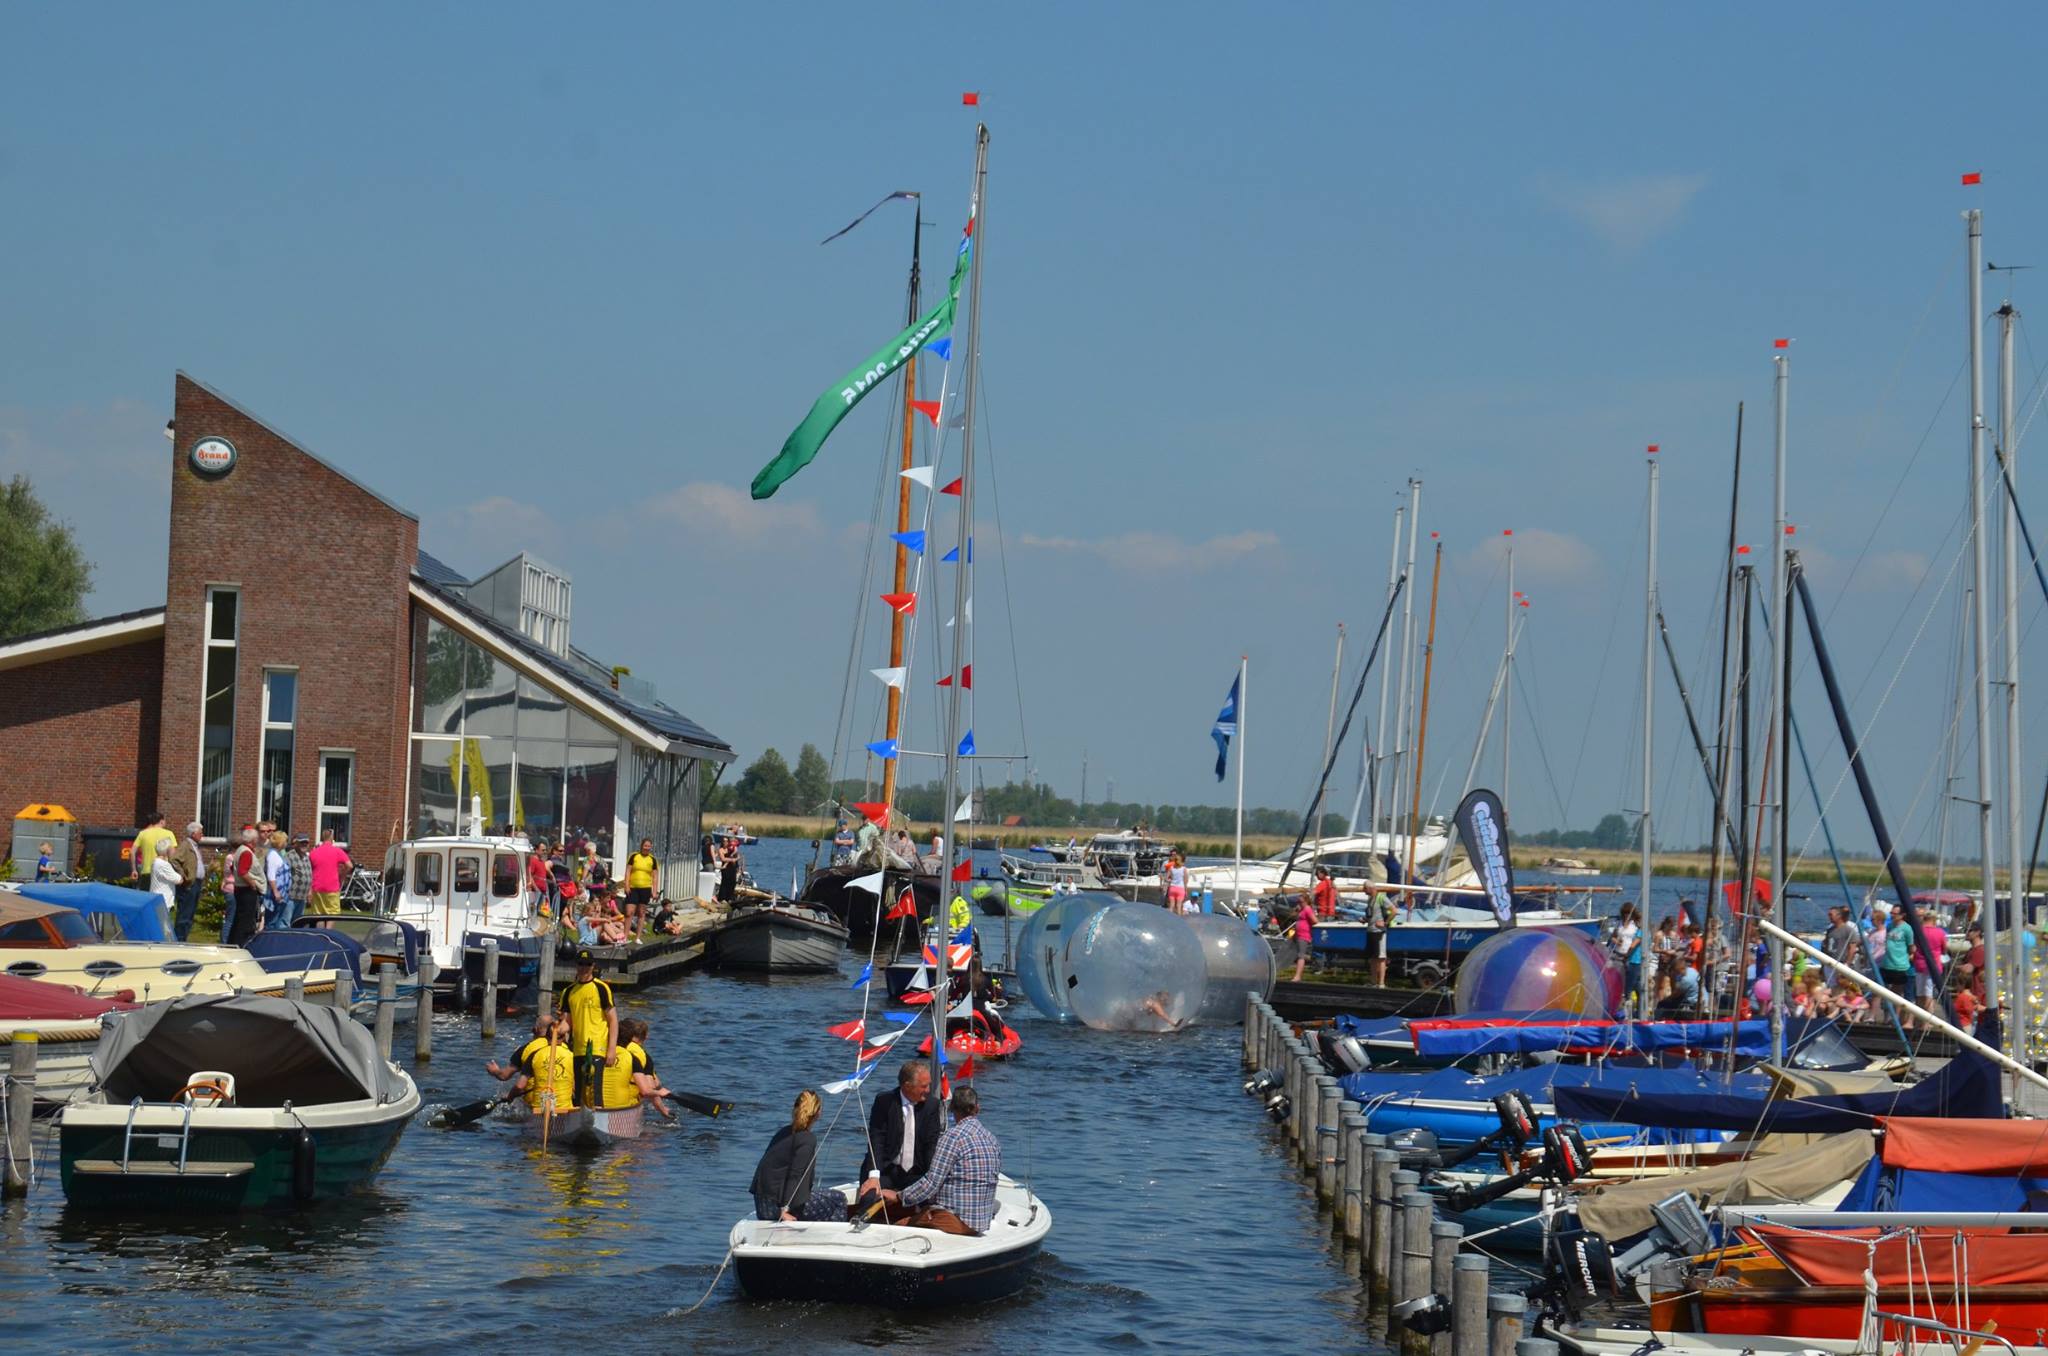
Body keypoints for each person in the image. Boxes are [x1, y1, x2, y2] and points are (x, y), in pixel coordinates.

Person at [878, 1083, 1002, 1235]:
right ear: (977, 1108)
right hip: (980, 1223)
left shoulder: (952, 1137)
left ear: (951, 1108)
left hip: (953, 1220)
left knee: (893, 1226)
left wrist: (898, 1196)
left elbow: (931, 1183)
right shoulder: (992, 1139)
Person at [751, 1089, 846, 1222]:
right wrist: (783, 1211)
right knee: (838, 1199)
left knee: (817, 1198)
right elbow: (795, 1175)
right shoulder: (808, 1139)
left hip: (762, 1205)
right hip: (778, 1210)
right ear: (818, 1113)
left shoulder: (783, 1132)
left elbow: (764, 1168)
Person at [859, 1059, 941, 1198]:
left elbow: (931, 1145)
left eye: (929, 1085)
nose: (928, 1090)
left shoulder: (931, 1106)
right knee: (870, 1195)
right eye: (923, 1086)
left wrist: (932, 1179)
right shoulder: (884, 1102)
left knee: (931, 1198)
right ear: (907, 1086)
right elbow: (876, 1141)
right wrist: (874, 1176)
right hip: (886, 1169)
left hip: (917, 1172)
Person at [561, 947, 618, 1108]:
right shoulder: (569, 992)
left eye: (587, 964)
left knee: (595, 1089)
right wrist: (556, 1030)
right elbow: (567, 1023)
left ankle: (598, 1118)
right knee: (578, 1091)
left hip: (597, 1046)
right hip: (577, 1048)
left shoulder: (601, 988)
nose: (584, 968)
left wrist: (611, 1049)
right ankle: (579, 1118)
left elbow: (613, 1020)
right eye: (581, 964)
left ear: (593, 966)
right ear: (576, 965)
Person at [486, 1012, 576, 1113]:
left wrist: (495, 1071)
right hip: (564, 1105)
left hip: (536, 1106)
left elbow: (504, 1076)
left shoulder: (530, 1052)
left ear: (535, 1030)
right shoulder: (569, 1052)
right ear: (563, 1036)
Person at [600, 1017, 674, 1116]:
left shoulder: (601, 1051)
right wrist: (663, 1109)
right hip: (625, 1105)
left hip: (597, 1104)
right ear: (645, 1037)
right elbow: (649, 1088)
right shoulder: (639, 1056)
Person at [228, 827, 265, 945]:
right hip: (246, 890)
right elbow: (242, 871)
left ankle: (233, 942)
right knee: (246, 921)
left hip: (240, 889)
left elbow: (232, 867)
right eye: (256, 839)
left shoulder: (240, 850)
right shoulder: (246, 852)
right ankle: (241, 944)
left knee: (239, 919)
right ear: (253, 840)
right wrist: (253, 884)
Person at [171, 823, 205, 942]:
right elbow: (174, 860)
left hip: (196, 883)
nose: (202, 835)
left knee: (190, 914)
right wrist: (183, 876)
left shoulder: (195, 846)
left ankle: (183, 938)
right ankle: (179, 939)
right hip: (189, 884)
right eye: (200, 833)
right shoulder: (186, 845)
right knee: (185, 913)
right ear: (193, 833)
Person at [308, 827, 352, 916]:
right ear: (332, 838)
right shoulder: (337, 851)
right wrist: (342, 876)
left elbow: (310, 871)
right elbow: (349, 865)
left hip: (317, 887)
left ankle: (320, 930)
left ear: (322, 838)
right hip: (332, 886)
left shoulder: (314, 852)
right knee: (332, 913)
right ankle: (328, 930)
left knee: (318, 914)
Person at [132, 811, 175, 889]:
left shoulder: (143, 833)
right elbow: (172, 853)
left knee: (146, 898)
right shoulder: (169, 833)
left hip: (146, 872)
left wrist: (134, 869)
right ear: (161, 821)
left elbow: (132, 852)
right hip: (163, 871)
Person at [625, 838, 658, 937]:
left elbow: (655, 876)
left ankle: (638, 937)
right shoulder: (634, 856)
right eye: (645, 846)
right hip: (633, 888)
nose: (647, 848)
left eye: (649, 846)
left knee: (641, 913)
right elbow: (628, 872)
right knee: (629, 912)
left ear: (651, 847)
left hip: (646, 888)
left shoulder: (652, 859)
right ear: (641, 846)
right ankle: (625, 937)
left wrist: (654, 891)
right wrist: (626, 885)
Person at [1612, 903, 1642, 1005]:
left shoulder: (1635, 925)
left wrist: (1628, 954)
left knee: (1632, 981)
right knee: (1620, 978)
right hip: (1619, 953)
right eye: (1625, 913)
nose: (1626, 915)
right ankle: (1622, 1000)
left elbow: (1638, 938)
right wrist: (1617, 941)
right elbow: (1613, 936)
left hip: (1630, 954)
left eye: (1628, 913)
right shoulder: (1619, 924)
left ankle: (1630, 1001)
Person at [263, 830, 294, 930]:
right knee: (272, 921)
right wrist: (275, 891)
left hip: (283, 894)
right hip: (276, 895)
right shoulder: (272, 855)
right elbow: (271, 875)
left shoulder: (279, 854)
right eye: (285, 840)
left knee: (278, 920)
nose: (286, 843)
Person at [147, 833, 183, 912]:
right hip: (163, 901)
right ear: (167, 850)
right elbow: (179, 880)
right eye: (172, 848)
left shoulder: (156, 862)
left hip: (158, 898)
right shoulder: (163, 865)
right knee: (162, 923)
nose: (174, 850)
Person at [286, 832, 314, 924]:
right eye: (302, 843)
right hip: (291, 896)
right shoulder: (290, 856)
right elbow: (286, 875)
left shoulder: (306, 857)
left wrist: (310, 891)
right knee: (286, 921)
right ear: (296, 843)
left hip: (302, 897)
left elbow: (309, 875)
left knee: (298, 922)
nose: (304, 845)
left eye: (306, 843)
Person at [1291, 894, 1316, 983]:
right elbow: (1292, 915)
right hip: (1299, 934)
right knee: (1299, 954)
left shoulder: (1307, 909)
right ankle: (1297, 975)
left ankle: (1298, 976)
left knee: (1301, 955)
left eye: (1301, 902)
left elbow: (1315, 921)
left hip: (1304, 935)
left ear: (1306, 901)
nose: (1300, 904)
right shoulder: (1302, 910)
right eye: (1299, 902)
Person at [716, 837, 741, 904]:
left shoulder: (730, 848)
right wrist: (732, 859)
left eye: (727, 841)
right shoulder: (721, 850)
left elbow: (737, 855)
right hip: (725, 868)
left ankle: (729, 898)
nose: (725, 842)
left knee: (732, 882)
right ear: (722, 842)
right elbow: (723, 859)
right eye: (724, 841)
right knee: (725, 882)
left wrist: (735, 859)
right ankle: (722, 898)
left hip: (732, 867)